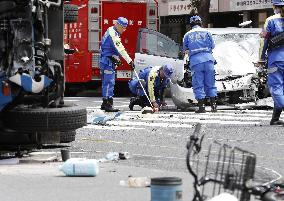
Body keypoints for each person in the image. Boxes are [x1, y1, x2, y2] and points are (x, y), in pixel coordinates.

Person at [182, 15, 217, 113]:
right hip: (209, 60)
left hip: (196, 62)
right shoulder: (207, 32)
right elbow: (213, 46)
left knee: (198, 84)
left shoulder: (187, 35)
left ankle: (202, 107)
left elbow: (185, 49)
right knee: (211, 83)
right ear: (200, 23)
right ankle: (214, 106)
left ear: (191, 24)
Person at [99, 17, 135, 112]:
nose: (124, 29)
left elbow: (106, 48)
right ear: (117, 25)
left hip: (106, 60)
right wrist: (130, 61)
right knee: (109, 82)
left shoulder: (110, 30)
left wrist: (115, 58)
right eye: (123, 27)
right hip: (108, 62)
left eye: (125, 27)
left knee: (106, 83)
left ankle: (104, 103)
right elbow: (120, 49)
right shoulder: (113, 35)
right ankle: (108, 104)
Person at [259, 0, 284, 126]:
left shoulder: (271, 20)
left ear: (274, 7)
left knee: (275, 87)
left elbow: (264, 41)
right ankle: (275, 118)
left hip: (276, 61)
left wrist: (261, 59)